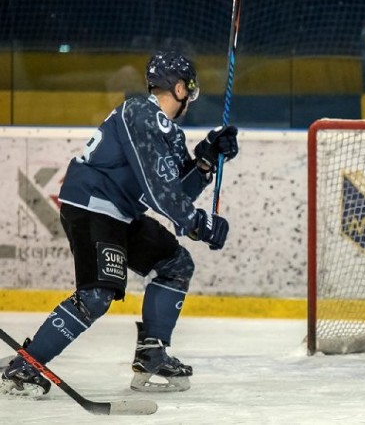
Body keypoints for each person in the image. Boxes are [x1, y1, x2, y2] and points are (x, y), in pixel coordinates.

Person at [0, 51, 239, 397]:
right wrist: (197, 223)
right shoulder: (141, 112)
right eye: (191, 89)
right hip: (93, 207)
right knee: (97, 295)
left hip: (121, 214)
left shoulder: (167, 132)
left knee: (175, 264)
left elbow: (174, 190)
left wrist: (206, 159)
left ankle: (152, 355)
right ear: (180, 89)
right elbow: (160, 194)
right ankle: (26, 367)